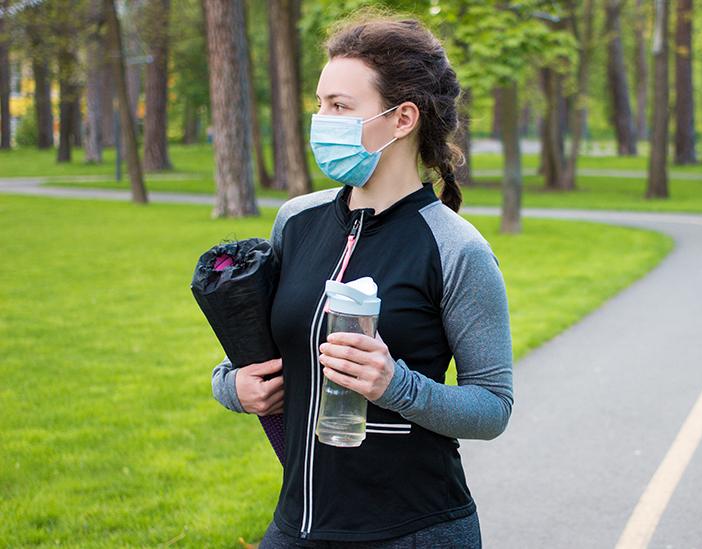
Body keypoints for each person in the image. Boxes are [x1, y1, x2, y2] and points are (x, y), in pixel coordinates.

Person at [208, 11, 514, 548]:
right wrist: (231, 387)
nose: (321, 119)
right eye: (321, 104)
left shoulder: (457, 249)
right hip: (299, 524)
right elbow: (259, 358)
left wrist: (395, 385)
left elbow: (492, 408)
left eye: (340, 107)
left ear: (402, 119)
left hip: (414, 529)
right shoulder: (295, 221)